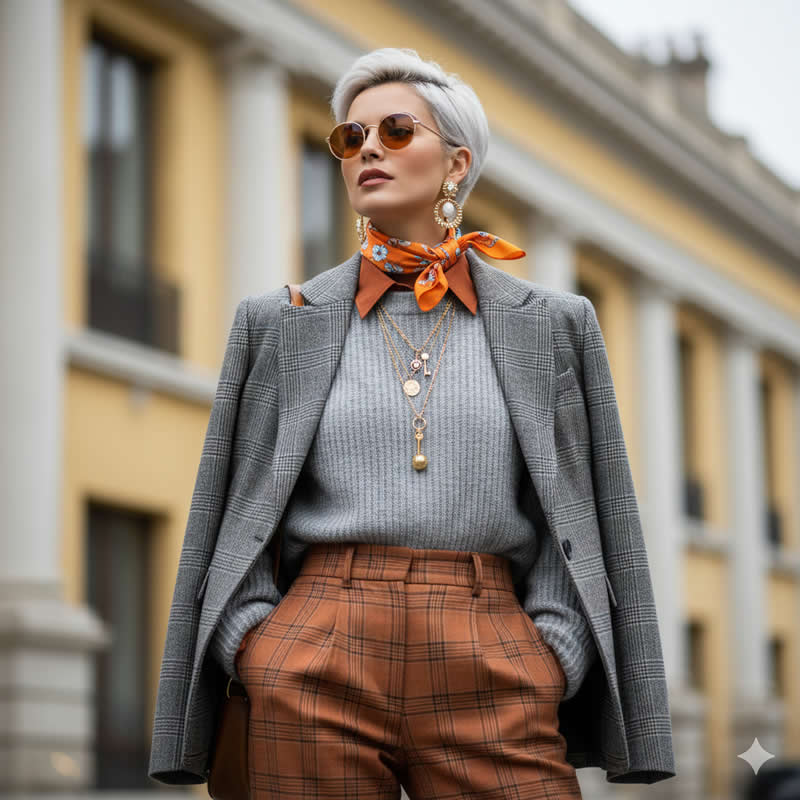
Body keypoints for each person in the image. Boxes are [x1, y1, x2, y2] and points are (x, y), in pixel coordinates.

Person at [149, 47, 676, 798]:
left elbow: (586, 505)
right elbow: (226, 507)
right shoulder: (277, 323)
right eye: (350, 137)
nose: (367, 148)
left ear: (457, 162)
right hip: (313, 644)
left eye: (396, 131)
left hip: (494, 643)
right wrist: (254, 643)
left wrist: (553, 651)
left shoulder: (554, 325)